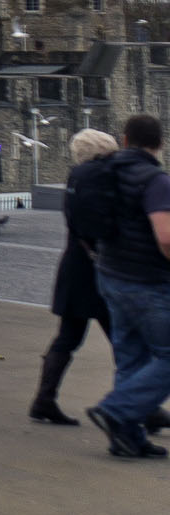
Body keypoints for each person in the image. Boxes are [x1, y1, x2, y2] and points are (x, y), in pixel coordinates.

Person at [86, 115, 170, 459]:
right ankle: (117, 410)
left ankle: (127, 439)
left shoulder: (107, 171)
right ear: (159, 143)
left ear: (124, 140)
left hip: (110, 274)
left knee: (131, 358)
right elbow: (165, 237)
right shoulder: (155, 180)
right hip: (146, 282)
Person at [32, 129, 121, 426]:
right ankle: (138, 404)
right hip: (96, 271)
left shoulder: (76, 177)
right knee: (123, 339)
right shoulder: (98, 178)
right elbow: (97, 224)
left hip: (75, 267)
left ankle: (44, 399)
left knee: (68, 337)